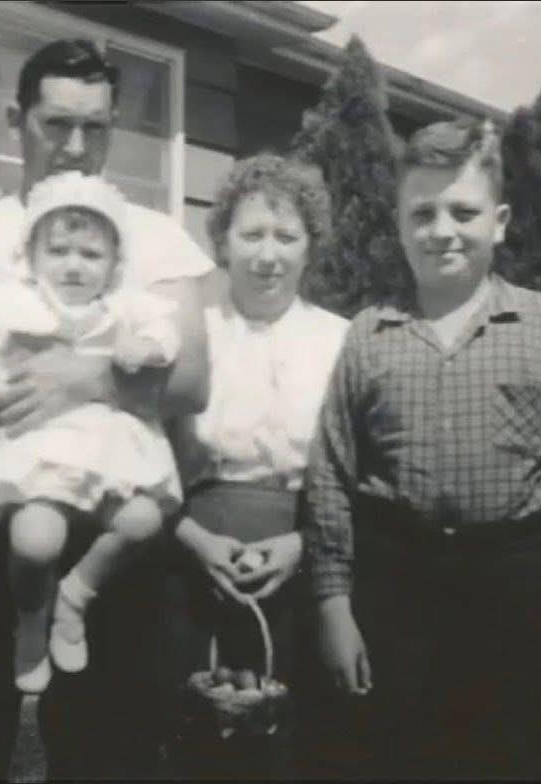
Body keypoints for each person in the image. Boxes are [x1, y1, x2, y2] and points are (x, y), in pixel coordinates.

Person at [0, 39, 213, 780]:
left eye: (95, 127)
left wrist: (87, 382)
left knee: (109, 751)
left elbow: (192, 382)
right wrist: (9, 482)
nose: (76, 146)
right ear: (18, 120)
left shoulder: (154, 238)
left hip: (107, 522)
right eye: (56, 124)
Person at [301, 118, 541, 780]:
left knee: (513, 758)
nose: (441, 230)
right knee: (398, 759)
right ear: (398, 226)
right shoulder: (370, 333)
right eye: (422, 213)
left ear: (498, 223)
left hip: (517, 586)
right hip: (398, 585)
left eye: (463, 212)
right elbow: (330, 473)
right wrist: (334, 607)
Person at [0, 171, 184, 695]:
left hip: (107, 449)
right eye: (58, 251)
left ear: (114, 264)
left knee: (145, 519)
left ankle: (76, 596)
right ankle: (32, 621)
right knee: (36, 541)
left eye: (91, 254)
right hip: (38, 447)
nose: (74, 265)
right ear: (32, 258)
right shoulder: (19, 303)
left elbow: (164, 334)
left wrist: (143, 348)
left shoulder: (124, 306)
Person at [161, 153, 349, 779]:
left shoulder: (342, 342)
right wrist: (195, 541)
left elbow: (358, 477)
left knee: (286, 744)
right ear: (222, 242)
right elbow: (143, 458)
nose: (268, 256)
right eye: (252, 235)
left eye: (286, 236)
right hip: (192, 555)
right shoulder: (188, 337)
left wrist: (303, 544)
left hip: (301, 561)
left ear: (310, 246)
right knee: (196, 738)